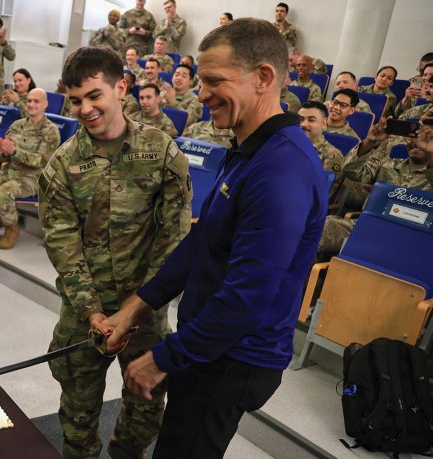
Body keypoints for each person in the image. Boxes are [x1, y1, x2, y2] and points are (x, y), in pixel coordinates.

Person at [101, 18, 328, 458]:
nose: (201, 95)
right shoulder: (247, 148)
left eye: (214, 81)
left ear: (263, 78)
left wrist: (164, 358)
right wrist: (139, 304)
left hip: (232, 359)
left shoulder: (281, 170)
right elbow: (204, 239)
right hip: (209, 347)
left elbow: (247, 297)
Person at [38, 46, 192, 459]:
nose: (84, 109)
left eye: (94, 95)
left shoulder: (161, 152)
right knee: (78, 410)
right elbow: (61, 242)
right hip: (86, 314)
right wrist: (93, 312)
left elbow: (173, 237)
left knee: (146, 410)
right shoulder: (62, 164)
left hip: (145, 310)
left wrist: (138, 308)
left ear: (121, 87)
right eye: (75, 100)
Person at [317, 110, 433, 258]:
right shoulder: (389, 164)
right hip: (368, 228)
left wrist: (431, 153)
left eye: (429, 138)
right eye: (416, 135)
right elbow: (351, 171)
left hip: (412, 241)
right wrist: (370, 141)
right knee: (314, 228)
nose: (418, 142)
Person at [0, 89, 60, 250]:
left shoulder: (51, 131)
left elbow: (41, 161)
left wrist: (15, 151)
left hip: (32, 178)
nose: (31, 105)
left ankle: (11, 229)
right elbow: (1, 156)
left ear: (45, 104)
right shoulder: (17, 125)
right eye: (29, 101)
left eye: (36, 101)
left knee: (2, 193)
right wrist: (3, 151)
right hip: (9, 170)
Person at [298, 101, 344, 185]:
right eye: (301, 120)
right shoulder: (289, 144)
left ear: (323, 123)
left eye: (311, 120)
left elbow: (323, 192)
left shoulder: (332, 155)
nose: (303, 124)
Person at [395, 53, 433, 117]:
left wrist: (424, 97)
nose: (424, 77)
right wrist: (405, 99)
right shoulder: (415, 81)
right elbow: (397, 114)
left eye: (431, 74)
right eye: (422, 71)